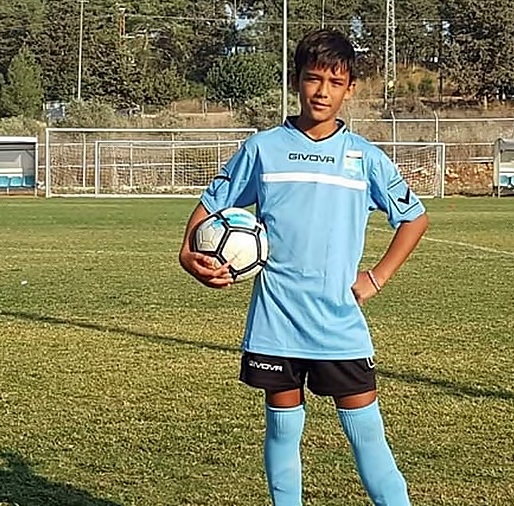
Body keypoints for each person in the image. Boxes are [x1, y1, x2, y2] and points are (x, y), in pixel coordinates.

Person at [178, 28, 428, 506]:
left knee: (368, 437)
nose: (322, 91)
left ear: (350, 88)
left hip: (339, 325)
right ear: (296, 80)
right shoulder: (263, 149)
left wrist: (375, 278)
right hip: (276, 323)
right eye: (313, 79)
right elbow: (211, 205)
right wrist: (188, 254)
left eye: (335, 82)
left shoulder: (364, 158)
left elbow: (414, 218)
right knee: (282, 433)